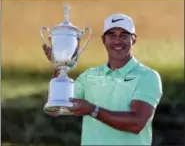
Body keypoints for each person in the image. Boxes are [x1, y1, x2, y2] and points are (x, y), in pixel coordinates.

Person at [43, 13, 163, 145]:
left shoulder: (147, 76)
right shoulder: (89, 76)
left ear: (133, 39)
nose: (117, 41)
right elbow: (57, 108)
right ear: (103, 40)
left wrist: (93, 110)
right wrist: (59, 66)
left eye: (124, 35)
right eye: (111, 35)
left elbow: (136, 123)